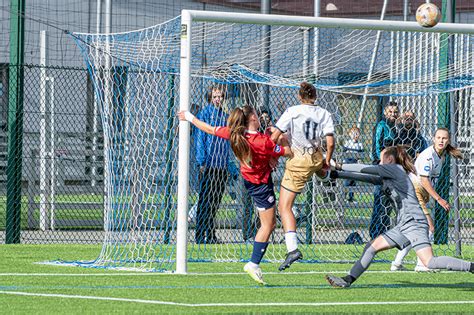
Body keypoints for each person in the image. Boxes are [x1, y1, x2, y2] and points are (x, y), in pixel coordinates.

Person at [326, 146, 473, 288]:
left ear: (389, 159)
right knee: (371, 247)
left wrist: (338, 165)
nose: (379, 160)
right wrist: (334, 174)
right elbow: (366, 177)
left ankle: (471, 266)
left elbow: (366, 168)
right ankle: (347, 280)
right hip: (404, 225)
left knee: (429, 262)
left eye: (381, 158)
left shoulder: (396, 169)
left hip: (414, 223)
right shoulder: (389, 175)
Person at [178, 105, 293, 285]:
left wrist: (189, 117)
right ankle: (253, 264)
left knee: (269, 224)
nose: (259, 116)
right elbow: (288, 152)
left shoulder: (234, 133)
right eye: (256, 113)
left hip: (250, 180)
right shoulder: (261, 141)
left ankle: (254, 263)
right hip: (261, 185)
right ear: (253, 119)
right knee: (268, 225)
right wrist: (283, 138)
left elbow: (209, 129)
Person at [270, 82, 335, 271]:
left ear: (299, 96)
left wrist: (271, 157)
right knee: (320, 167)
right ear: (315, 96)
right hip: (315, 157)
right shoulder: (324, 113)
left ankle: (292, 249)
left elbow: (274, 137)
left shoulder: (292, 111)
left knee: (284, 206)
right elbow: (330, 143)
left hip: (298, 162)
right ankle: (326, 174)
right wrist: (327, 160)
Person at [391, 128, 463, 272]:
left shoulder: (440, 156)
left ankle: (397, 263)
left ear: (448, 140)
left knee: (415, 230)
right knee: (428, 227)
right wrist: (439, 199)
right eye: (438, 138)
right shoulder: (428, 155)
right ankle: (422, 264)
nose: (441, 140)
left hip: (420, 193)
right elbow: (423, 180)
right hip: (414, 191)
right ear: (433, 139)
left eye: (444, 138)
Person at [193, 86, 239, 244]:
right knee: (204, 202)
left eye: (220, 96)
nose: (218, 99)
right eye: (215, 96)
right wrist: (201, 161)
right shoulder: (204, 114)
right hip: (208, 165)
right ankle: (200, 236)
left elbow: (227, 145)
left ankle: (211, 235)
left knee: (215, 202)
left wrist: (230, 167)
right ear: (210, 98)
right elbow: (200, 138)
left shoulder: (226, 117)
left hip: (221, 167)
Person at [370, 101, 399, 239]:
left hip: (393, 168)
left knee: (389, 200)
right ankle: (375, 232)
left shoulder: (396, 128)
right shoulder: (381, 126)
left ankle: (385, 231)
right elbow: (376, 148)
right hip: (381, 167)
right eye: (390, 112)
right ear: (385, 113)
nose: (393, 114)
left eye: (395, 112)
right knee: (379, 198)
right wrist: (380, 163)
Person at [342, 126, 364, 202]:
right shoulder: (347, 143)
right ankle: (343, 196)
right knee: (347, 181)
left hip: (355, 163)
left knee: (353, 181)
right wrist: (343, 162)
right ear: (350, 134)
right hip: (348, 163)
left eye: (357, 133)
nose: (355, 135)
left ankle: (351, 197)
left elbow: (361, 155)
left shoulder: (360, 144)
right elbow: (343, 152)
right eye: (353, 133)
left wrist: (360, 161)